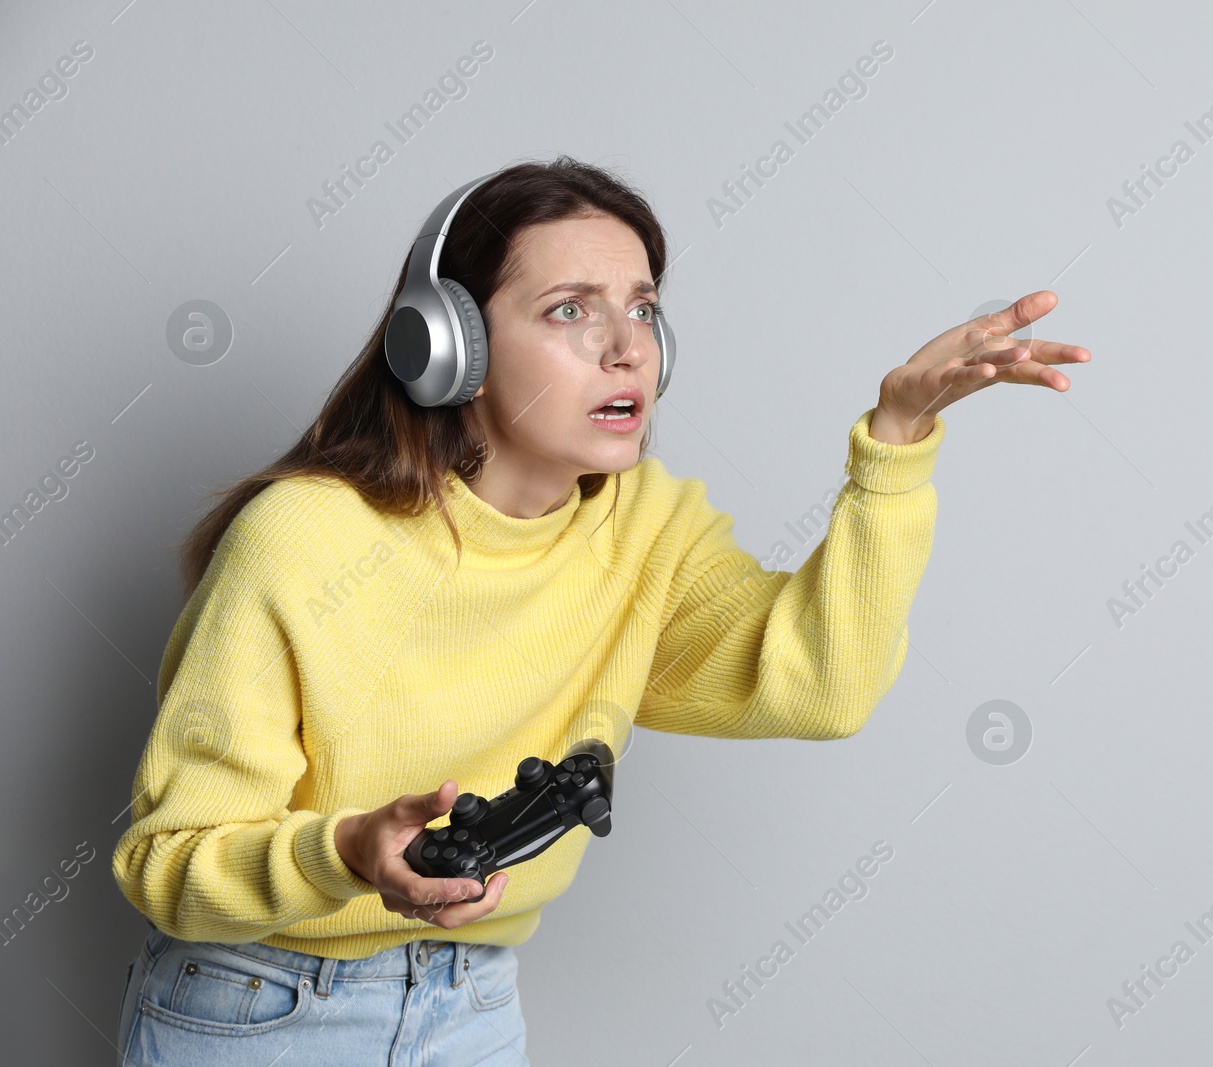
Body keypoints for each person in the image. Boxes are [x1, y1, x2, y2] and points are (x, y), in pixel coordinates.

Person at [109, 156, 1089, 1064]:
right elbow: (171, 861)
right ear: (450, 344)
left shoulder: (646, 529)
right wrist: (348, 849)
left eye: (642, 307)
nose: (627, 348)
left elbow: (821, 686)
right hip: (261, 1003)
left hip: (471, 1001)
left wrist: (896, 442)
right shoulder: (304, 540)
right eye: (570, 309)